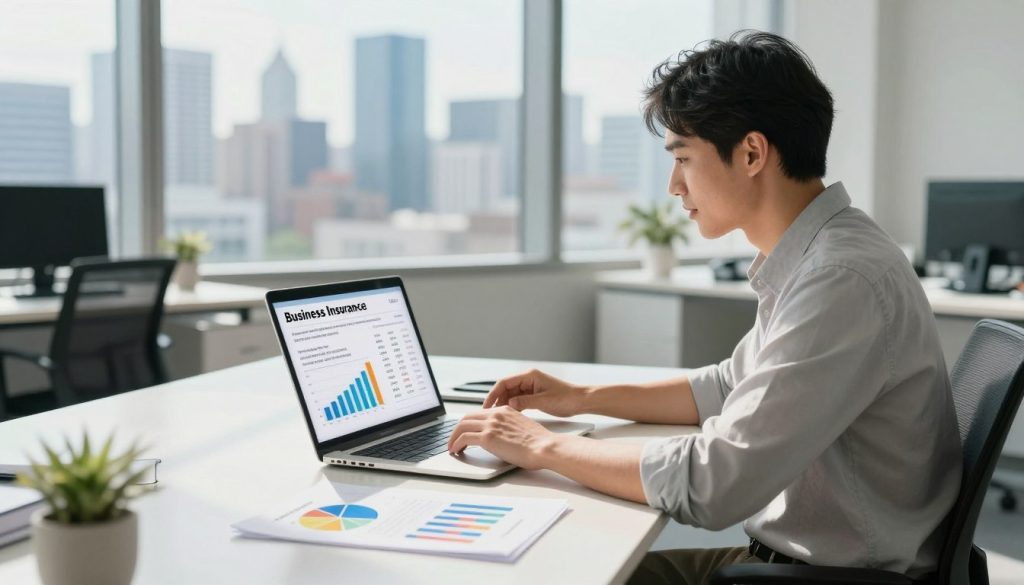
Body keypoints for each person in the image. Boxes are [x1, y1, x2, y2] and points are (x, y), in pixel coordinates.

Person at [446, 30, 962, 584]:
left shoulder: (839, 279)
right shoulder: (819, 255)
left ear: (751, 153)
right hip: (800, 564)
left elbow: (714, 484)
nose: (674, 185)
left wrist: (543, 445)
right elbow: (726, 386)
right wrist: (581, 398)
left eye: (684, 158)